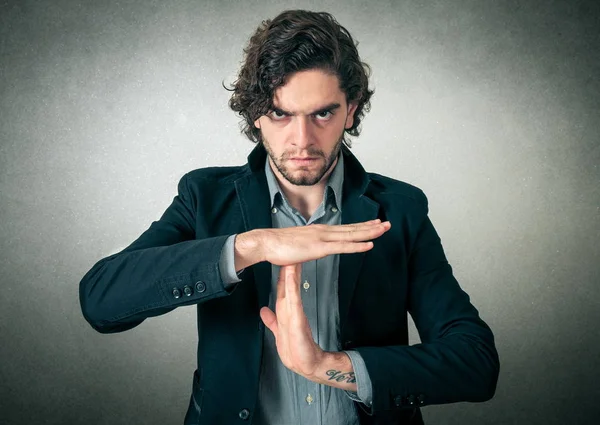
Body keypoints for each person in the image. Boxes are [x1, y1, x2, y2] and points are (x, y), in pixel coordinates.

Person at [79, 9, 499, 425]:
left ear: (350, 111)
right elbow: (101, 300)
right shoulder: (204, 197)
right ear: (256, 114)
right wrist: (252, 246)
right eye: (280, 113)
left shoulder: (400, 209)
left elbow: (475, 362)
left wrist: (328, 366)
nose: (302, 140)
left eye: (322, 113)